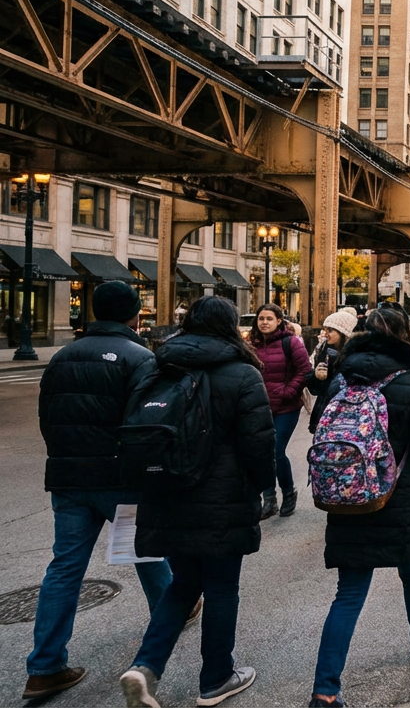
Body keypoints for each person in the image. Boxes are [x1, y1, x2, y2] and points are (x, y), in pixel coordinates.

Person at [118, 296, 275, 708]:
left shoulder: (156, 365)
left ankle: (145, 666)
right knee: (222, 586)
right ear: (229, 327)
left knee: (184, 583)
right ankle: (216, 677)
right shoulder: (242, 374)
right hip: (222, 497)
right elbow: (259, 444)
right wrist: (262, 488)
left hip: (165, 491)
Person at [25, 282, 174, 701]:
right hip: (119, 478)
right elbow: (146, 425)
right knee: (143, 550)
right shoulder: (140, 358)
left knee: (65, 567)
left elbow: (47, 418)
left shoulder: (61, 357)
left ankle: (44, 667)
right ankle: (173, 610)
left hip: (69, 479)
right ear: (134, 316)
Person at [307, 308, 410, 708]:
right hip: (401, 493)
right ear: (404, 337)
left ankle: (325, 691)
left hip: (350, 494)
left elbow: (320, 428)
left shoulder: (342, 379)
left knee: (348, 593)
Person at [249, 303, 311, 519]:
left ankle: (288, 492)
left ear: (279, 321)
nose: (264, 322)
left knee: (276, 450)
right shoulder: (250, 344)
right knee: (260, 452)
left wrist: (288, 391)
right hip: (259, 406)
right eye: (261, 319)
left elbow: (305, 371)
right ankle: (269, 499)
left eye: (269, 318)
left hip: (286, 407)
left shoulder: (290, 342)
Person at [306, 309, 358, 434]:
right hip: (323, 409)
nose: (325, 334)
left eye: (330, 330)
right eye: (325, 330)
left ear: (343, 332)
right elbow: (315, 389)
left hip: (345, 414)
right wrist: (316, 376)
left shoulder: (355, 355)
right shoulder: (324, 350)